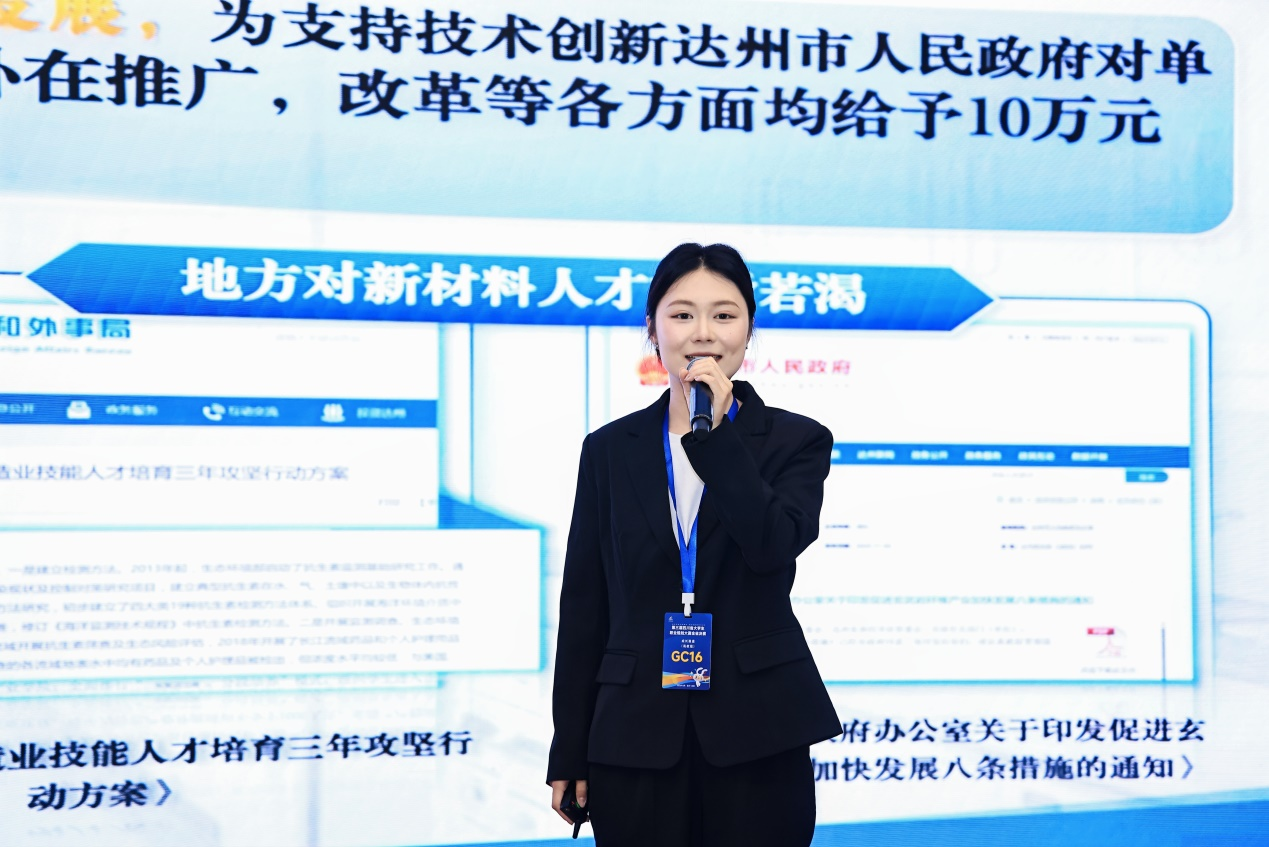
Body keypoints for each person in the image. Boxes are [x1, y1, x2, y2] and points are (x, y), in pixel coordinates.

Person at [547, 243, 841, 847]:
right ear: (652, 328)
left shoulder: (796, 441)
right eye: (681, 314)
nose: (702, 332)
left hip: (758, 729)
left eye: (724, 315)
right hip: (633, 735)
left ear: (748, 330)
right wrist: (569, 748)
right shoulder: (610, 449)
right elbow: (584, 606)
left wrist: (716, 439)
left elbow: (772, 545)